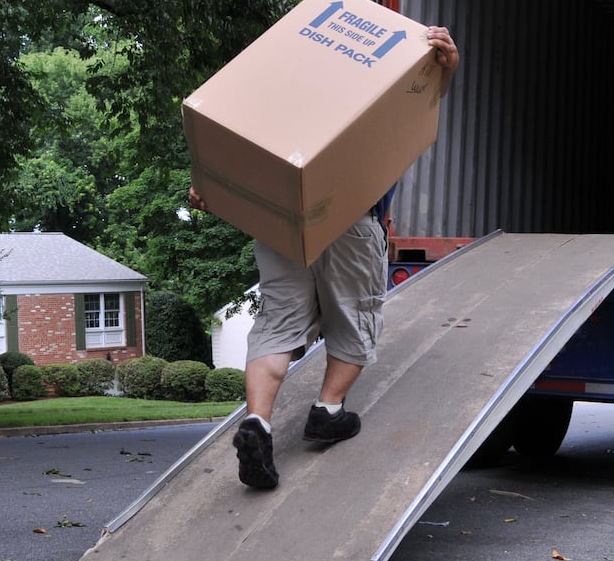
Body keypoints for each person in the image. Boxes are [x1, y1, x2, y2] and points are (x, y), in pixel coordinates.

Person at [188, 26, 459, 489]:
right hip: (350, 215)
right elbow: (417, 103)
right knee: (355, 317)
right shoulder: (364, 102)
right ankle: (327, 411)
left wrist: (215, 189)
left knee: (276, 324)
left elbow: (228, 153)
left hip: (278, 217)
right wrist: (445, 67)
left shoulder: (273, 98)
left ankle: (258, 421)